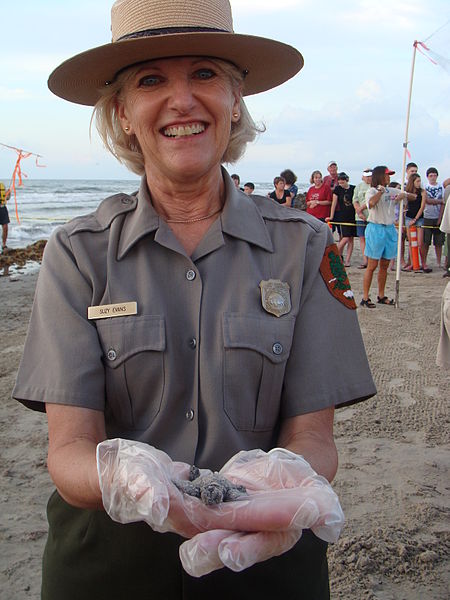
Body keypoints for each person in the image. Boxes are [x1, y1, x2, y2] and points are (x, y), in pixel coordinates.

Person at [13, 1, 376, 598]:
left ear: (236, 103)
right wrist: (125, 477)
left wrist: (281, 482)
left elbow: (314, 437)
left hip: (265, 558)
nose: (182, 100)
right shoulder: (76, 254)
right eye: (151, 79)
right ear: (123, 114)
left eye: (205, 73)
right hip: (107, 569)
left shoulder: (306, 247)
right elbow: (70, 449)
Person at [360, 166, 407, 307]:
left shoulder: (391, 190)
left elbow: (411, 195)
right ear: (380, 176)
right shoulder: (372, 191)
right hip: (376, 228)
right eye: (387, 175)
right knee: (372, 264)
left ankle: (381, 295)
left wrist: (403, 195)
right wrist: (380, 192)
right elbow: (371, 204)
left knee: (385, 265)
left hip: (389, 228)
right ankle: (365, 297)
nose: (389, 178)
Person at [326, 173, 356, 267]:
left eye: (342, 182)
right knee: (345, 237)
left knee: (351, 239)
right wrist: (331, 216)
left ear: (347, 180)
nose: (341, 184)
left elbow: (356, 201)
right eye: (339, 182)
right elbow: (334, 203)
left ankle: (347, 260)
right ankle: (335, 255)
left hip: (352, 216)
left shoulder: (353, 188)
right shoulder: (338, 189)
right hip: (343, 216)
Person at [423, 167, 450, 270]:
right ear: (427, 177)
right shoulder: (425, 187)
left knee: (439, 242)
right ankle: (424, 261)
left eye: (435, 175)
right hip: (427, 216)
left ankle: (439, 262)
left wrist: (440, 218)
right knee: (426, 242)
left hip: (438, 215)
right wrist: (438, 201)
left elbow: (444, 202)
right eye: (431, 176)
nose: (433, 178)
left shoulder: (441, 188)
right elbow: (427, 200)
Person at [403, 173, 427, 272]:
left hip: (419, 218)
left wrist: (416, 219)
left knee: (420, 243)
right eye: (417, 181)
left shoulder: (422, 192)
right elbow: (405, 205)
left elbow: (422, 207)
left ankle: (423, 263)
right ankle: (413, 263)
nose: (419, 183)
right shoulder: (407, 192)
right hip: (409, 217)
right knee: (411, 243)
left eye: (420, 181)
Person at [352, 169, 372, 269]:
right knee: (362, 238)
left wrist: (361, 209)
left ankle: (371, 259)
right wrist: (359, 212)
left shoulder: (374, 186)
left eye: (370, 176)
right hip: (360, 217)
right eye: (367, 176)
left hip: (371, 216)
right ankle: (365, 260)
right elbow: (355, 200)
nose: (368, 178)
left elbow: (371, 201)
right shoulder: (359, 186)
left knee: (370, 239)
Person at [0, 181, 10, 253]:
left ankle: (4, 245)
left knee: (5, 227)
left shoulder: (2, 185)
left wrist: (8, 194)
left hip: (2, 208)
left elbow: (7, 198)